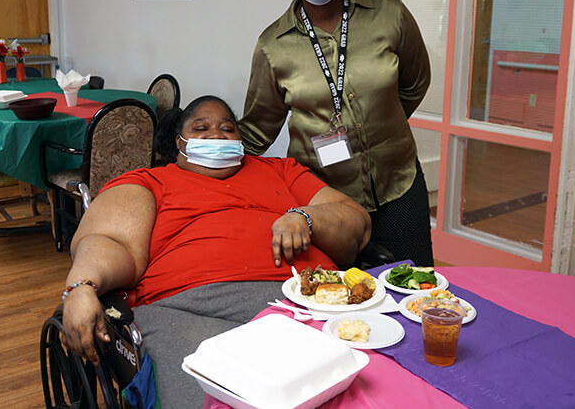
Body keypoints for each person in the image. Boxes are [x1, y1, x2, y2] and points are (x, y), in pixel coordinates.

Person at [61, 95, 371, 407]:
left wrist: (306, 216)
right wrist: (82, 286)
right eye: (201, 128)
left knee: (369, 383)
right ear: (179, 143)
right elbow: (109, 241)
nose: (216, 135)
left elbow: (354, 220)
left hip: (311, 301)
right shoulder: (150, 181)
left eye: (227, 128)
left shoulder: (281, 171)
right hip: (190, 307)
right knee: (222, 390)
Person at [239, 0, 434, 267]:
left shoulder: (388, 12)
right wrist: (206, 159)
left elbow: (416, 82)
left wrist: (381, 127)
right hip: (322, 196)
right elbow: (256, 129)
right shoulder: (274, 44)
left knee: (413, 285)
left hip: (398, 180)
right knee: (337, 297)